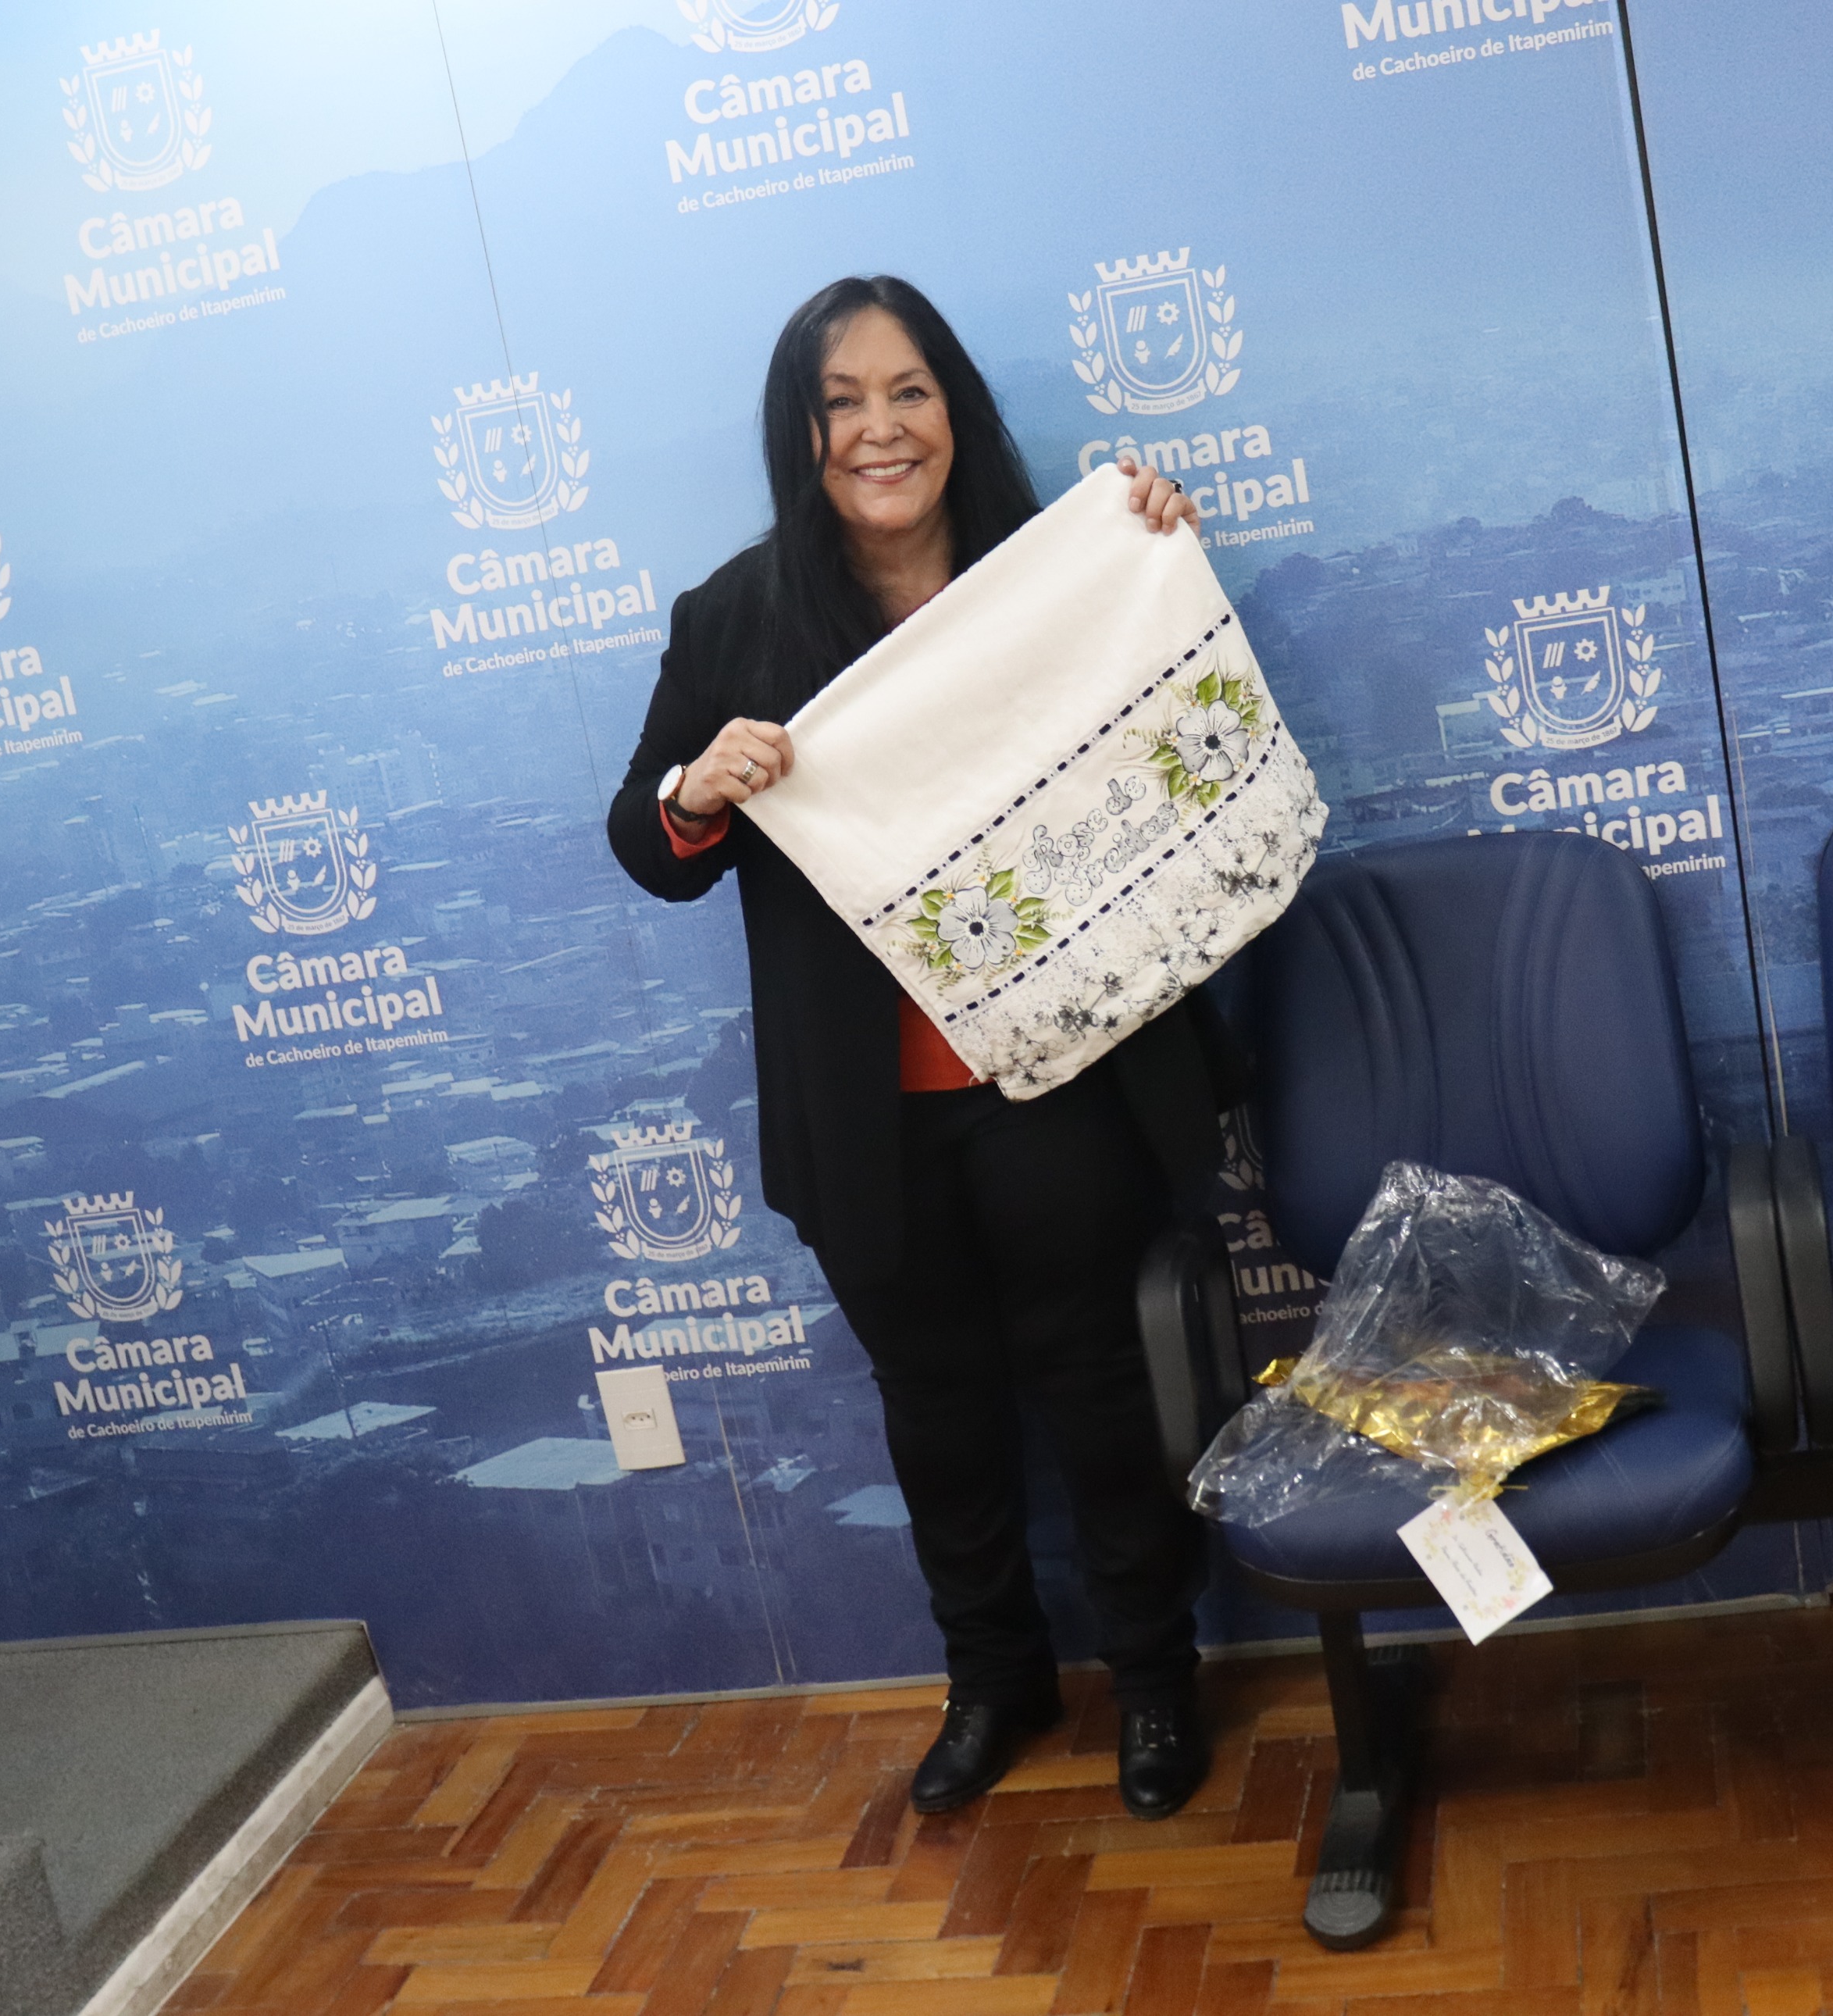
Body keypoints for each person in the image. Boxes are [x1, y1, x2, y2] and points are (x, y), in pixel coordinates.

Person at [605, 274, 1233, 1820]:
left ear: (956, 410)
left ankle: (1155, 1677)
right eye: (842, 403)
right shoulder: (734, 618)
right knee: (937, 1414)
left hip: (1058, 1078)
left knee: (1103, 1395)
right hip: (867, 1110)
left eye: (908, 392)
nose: (879, 430)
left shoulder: (1056, 570)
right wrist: (697, 788)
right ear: (800, 434)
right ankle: (994, 1679)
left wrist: (1153, 548)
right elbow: (644, 839)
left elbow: (1178, 724)